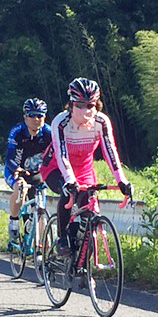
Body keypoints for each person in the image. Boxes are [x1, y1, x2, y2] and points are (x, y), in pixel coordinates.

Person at [40, 77, 132, 256]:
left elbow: (110, 152)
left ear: (97, 105)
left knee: (88, 209)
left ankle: (81, 264)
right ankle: (63, 238)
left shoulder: (101, 122)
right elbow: (61, 154)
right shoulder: (61, 122)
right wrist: (69, 180)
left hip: (84, 169)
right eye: (80, 105)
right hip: (55, 168)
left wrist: (122, 180)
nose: (85, 110)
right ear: (71, 104)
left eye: (90, 105)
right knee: (69, 194)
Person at [4, 98, 52, 241]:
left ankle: (43, 247)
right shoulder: (17, 132)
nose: (36, 119)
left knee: (41, 209)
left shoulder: (49, 132)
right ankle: (13, 220)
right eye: (32, 115)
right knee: (20, 188)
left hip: (36, 172)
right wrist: (17, 169)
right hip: (16, 170)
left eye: (40, 115)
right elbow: (9, 158)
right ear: (25, 117)